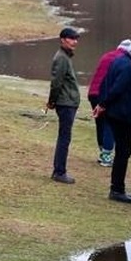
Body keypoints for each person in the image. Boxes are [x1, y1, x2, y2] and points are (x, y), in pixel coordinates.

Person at [94, 39, 131, 203]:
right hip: (121, 115)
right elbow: (117, 88)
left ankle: (117, 188)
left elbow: (105, 83)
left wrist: (102, 104)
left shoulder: (118, 61)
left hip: (114, 113)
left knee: (122, 151)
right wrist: (103, 104)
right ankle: (117, 189)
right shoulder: (128, 67)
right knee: (124, 151)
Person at [89, 39, 131, 167]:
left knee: (100, 123)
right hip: (105, 94)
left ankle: (102, 151)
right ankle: (106, 156)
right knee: (109, 123)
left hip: (93, 93)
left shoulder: (107, 55)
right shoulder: (124, 60)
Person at [47, 27, 80, 184]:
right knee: (64, 138)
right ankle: (59, 171)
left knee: (65, 137)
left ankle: (59, 170)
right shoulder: (61, 58)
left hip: (68, 102)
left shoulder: (66, 57)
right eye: (72, 38)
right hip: (65, 103)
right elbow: (56, 83)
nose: (75, 42)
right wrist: (52, 101)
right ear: (63, 39)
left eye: (76, 39)